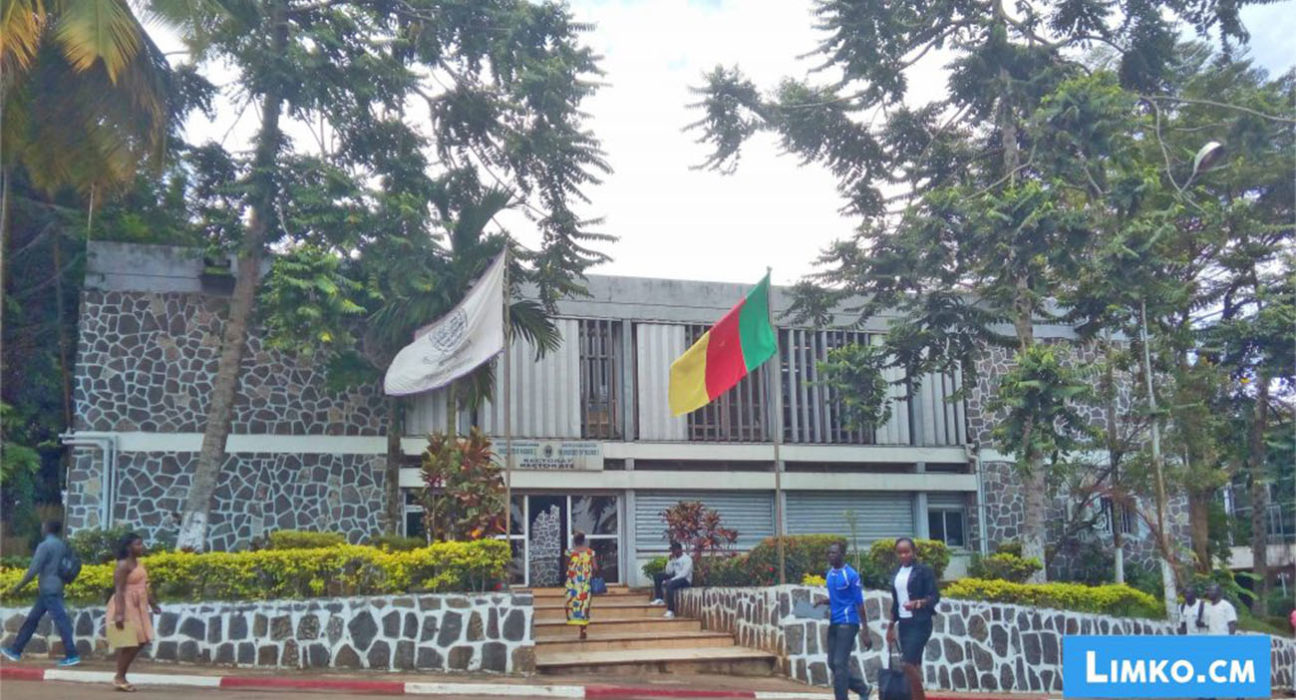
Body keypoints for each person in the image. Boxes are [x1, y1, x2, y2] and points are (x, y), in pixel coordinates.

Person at [0, 521, 81, 666]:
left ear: (47, 529)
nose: (41, 529)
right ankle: (16, 650)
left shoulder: (44, 546)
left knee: (61, 621)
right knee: (32, 619)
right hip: (54, 587)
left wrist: (17, 587)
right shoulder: (62, 545)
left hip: (49, 589)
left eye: (43, 526)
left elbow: (33, 570)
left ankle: (72, 654)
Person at [814, 542, 871, 700]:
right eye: (829, 553)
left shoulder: (851, 575)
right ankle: (863, 689)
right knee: (832, 663)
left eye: (834, 553)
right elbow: (838, 598)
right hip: (835, 622)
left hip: (849, 622)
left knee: (840, 663)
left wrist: (865, 630)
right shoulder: (830, 574)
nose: (830, 556)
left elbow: (859, 603)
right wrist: (823, 602)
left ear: (842, 555)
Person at [886, 537, 940, 700]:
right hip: (904, 623)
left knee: (907, 663)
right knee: (914, 664)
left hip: (920, 623)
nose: (903, 555)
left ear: (914, 552)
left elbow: (934, 596)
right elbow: (897, 602)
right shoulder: (896, 573)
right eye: (900, 553)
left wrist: (918, 603)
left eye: (906, 552)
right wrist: (890, 626)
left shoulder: (923, 571)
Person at [106, 533, 161, 692]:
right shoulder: (123, 565)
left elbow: (145, 586)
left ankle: (120, 675)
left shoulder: (139, 563)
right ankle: (119, 677)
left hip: (139, 605)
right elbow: (119, 590)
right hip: (125, 605)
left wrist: (153, 604)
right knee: (132, 641)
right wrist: (119, 613)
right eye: (138, 544)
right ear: (128, 547)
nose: (141, 547)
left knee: (140, 641)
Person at [565, 532, 599, 641]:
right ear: (584, 540)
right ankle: (583, 629)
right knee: (585, 606)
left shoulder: (570, 552)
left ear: (574, 541)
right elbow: (595, 568)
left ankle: (572, 619)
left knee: (571, 603)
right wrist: (588, 573)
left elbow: (565, 565)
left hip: (573, 584)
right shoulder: (590, 553)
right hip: (585, 584)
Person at [650, 542, 693, 619]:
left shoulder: (687, 559)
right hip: (676, 578)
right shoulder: (674, 559)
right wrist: (669, 561)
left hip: (685, 580)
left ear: (680, 550)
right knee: (658, 576)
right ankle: (659, 598)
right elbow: (668, 572)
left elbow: (684, 574)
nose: (673, 552)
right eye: (672, 550)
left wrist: (671, 580)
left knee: (670, 585)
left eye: (674, 550)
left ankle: (671, 611)